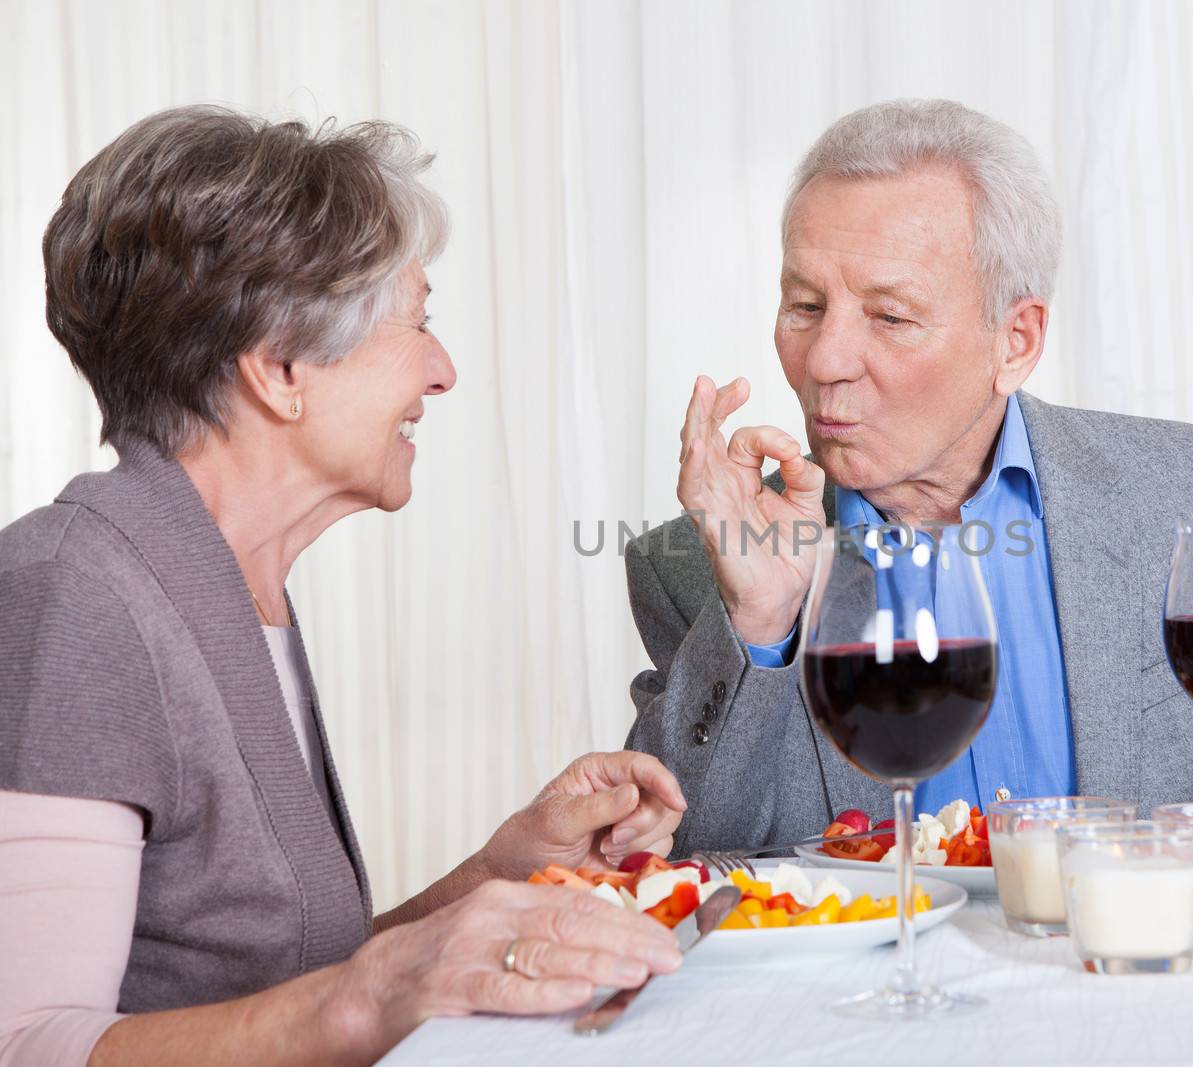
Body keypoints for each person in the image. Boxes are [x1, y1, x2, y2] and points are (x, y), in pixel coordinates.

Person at [0, 107, 685, 1066]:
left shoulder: (229, 582)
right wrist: (377, 994)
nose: (442, 373)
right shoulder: (75, 594)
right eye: (420, 321)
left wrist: (494, 874)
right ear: (282, 368)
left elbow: (275, 989)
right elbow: (29, 1044)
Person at [625, 99, 1193, 857]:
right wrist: (763, 617)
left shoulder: (1185, 488)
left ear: (1016, 342)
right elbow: (691, 851)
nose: (825, 358)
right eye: (805, 306)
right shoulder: (693, 563)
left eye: (890, 315)